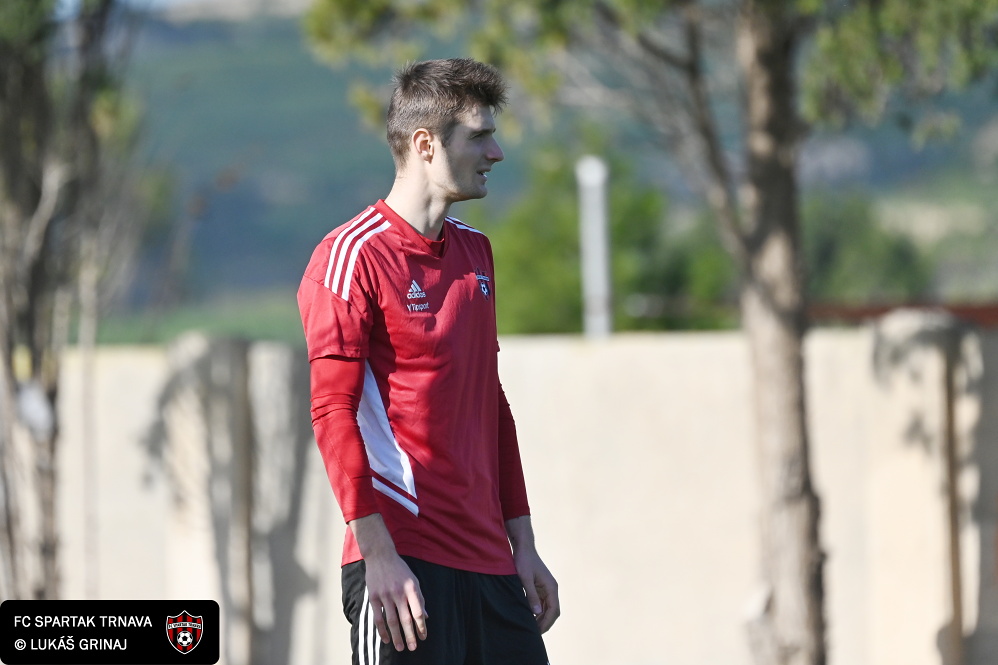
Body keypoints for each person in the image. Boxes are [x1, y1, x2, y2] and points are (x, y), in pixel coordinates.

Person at [298, 58, 559, 665]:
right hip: (402, 564)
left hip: (492, 565)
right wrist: (377, 553)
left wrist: (523, 543)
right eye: (479, 136)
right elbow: (332, 412)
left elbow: (490, 406)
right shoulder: (350, 257)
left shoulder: (477, 253)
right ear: (425, 144)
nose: (496, 152)